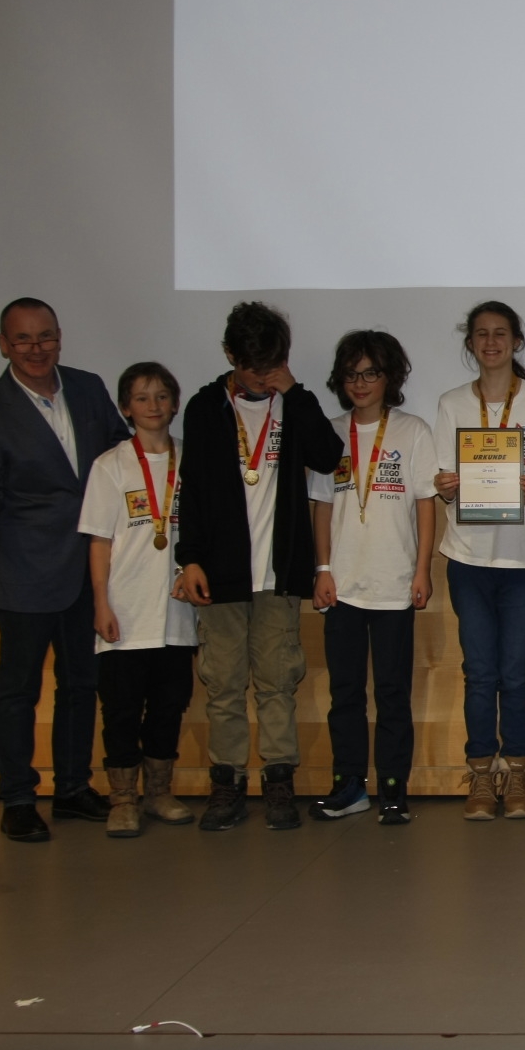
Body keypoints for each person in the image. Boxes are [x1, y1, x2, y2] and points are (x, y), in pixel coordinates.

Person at [0, 297, 131, 841]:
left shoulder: (88, 387)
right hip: (26, 574)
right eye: (23, 340)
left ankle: (73, 788)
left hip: (90, 570)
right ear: (3, 345)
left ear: (60, 337)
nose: (37, 349)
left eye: (46, 337)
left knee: (81, 685)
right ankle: (17, 798)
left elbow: (120, 457)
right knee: (19, 692)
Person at [175, 301, 345, 832]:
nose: (263, 377)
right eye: (254, 368)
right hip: (220, 574)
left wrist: (295, 392)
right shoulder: (205, 408)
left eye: (273, 365)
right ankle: (226, 784)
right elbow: (192, 490)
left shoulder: (292, 404)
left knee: (277, 682)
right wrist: (189, 558)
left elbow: (328, 455)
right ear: (231, 355)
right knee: (223, 684)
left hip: (278, 574)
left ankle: (278, 780)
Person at [432, 302, 525, 821]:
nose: (491, 343)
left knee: (515, 673)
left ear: (516, 341)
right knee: (479, 672)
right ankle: (482, 778)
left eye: (501, 334)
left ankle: (518, 774)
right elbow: (442, 479)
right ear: (470, 343)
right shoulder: (451, 404)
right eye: (482, 335)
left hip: (524, 561)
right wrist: (446, 485)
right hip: (468, 558)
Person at [307, 331, 437, 826]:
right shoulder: (329, 433)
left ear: (390, 378)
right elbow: (322, 507)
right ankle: (348, 786)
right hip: (341, 585)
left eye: (371, 374)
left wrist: (422, 569)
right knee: (344, 692)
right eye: (351, 375)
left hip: (394, 584)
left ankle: (392, 788)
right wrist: (322, 569)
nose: (360, 383)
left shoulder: (412, 431)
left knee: (392, 692)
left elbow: (425, 505)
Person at [79, 362, 199, 837]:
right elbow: (99, 542)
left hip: (176, 613)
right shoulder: (110, 465)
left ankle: (158, 792)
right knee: (122, 710)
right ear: (125, 408)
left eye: (162, 396)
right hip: (125, 612)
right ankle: (123, 798)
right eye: (142, 398)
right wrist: (100, 603)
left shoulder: (192, 459)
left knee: (169, 706)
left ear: (175, 403)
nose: (153, 406)